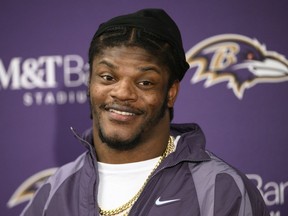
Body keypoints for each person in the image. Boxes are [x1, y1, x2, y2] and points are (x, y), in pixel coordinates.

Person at [20, 8, 269, 216]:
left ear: (170, 92)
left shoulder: (221, 189)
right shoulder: (52, 192)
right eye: (108, 77)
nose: (123, 93)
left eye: (145, 82)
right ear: (89, 83)